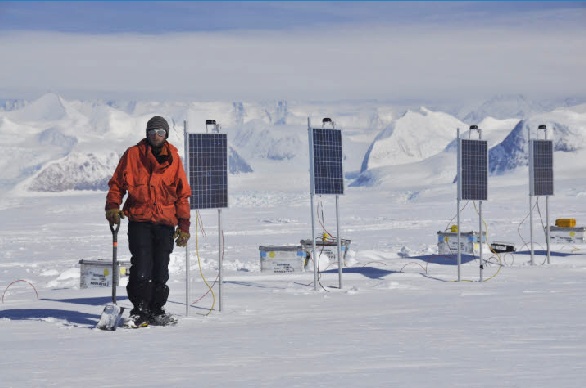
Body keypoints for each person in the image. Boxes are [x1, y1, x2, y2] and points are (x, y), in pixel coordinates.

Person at [105, 115, 191, 328]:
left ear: (166, 134)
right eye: (152, 132)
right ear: (147, 134)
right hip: (140, 219)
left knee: (161, 268)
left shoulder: (174, 160)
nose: (156, 136)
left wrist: (184, 226)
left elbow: (182, 195)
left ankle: (156, 309)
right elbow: (117, 184)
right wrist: (113, 206)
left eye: (160, 132)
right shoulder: (133, 155)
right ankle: (140, 309)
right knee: (142, 265)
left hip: (165, 221)